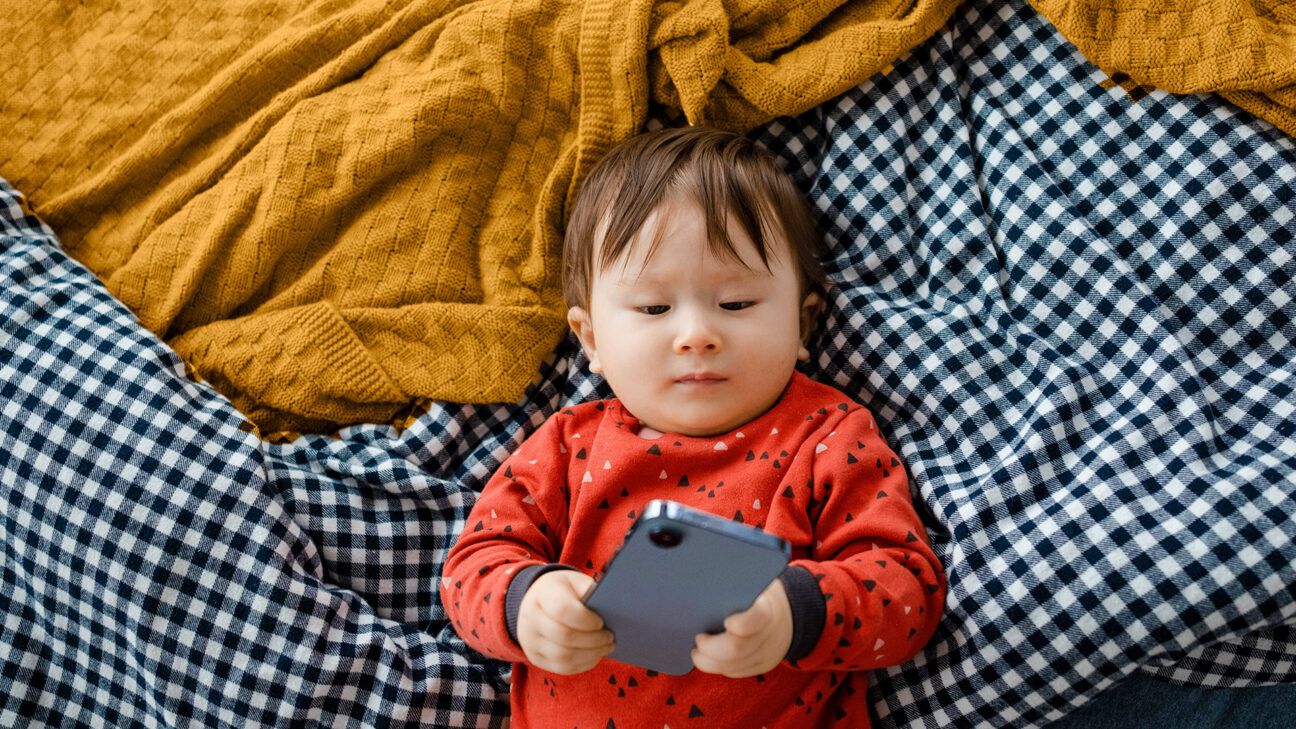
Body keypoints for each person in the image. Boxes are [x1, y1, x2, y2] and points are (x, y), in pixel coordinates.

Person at [443, 126, 945, 728]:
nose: (696, 335)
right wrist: (525, 602)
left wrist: (797, 614)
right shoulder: (566, 444)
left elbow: (908, 590)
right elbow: (469, 568)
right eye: (654, 309)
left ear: (805, 326)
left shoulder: (828, 436)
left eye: (736, 304)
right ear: (592, 340)